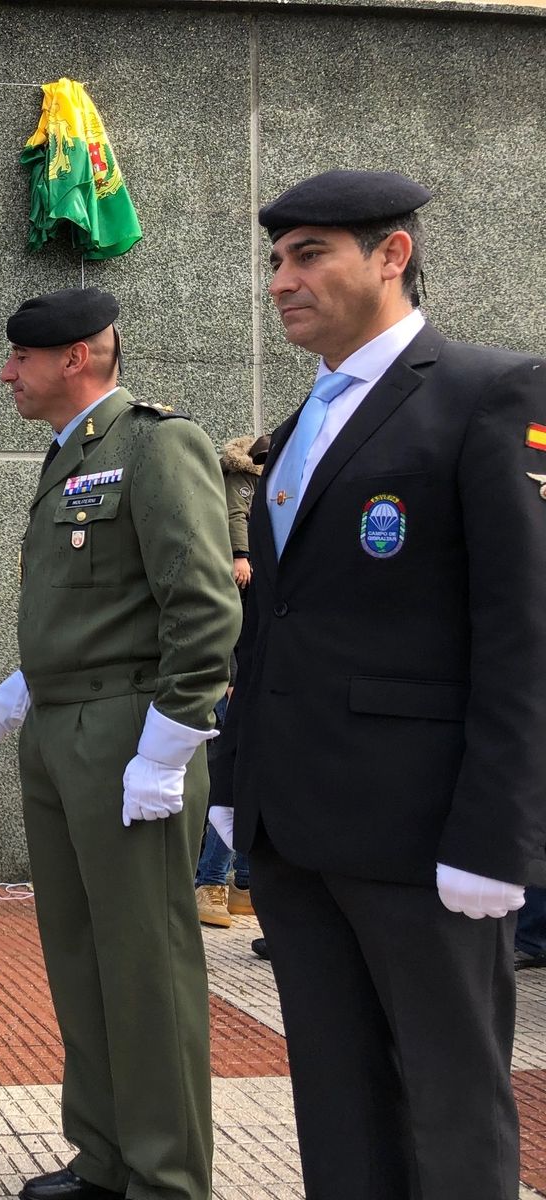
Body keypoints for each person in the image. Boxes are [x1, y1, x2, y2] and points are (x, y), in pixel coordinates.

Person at [208, 169, 546, 1200]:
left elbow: (522, 631)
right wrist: (236, 781)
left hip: (422, 835)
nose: (280, 281)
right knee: (337, 1100)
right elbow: (274, 621)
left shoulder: (487, 391)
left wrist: (498, 839)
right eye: (275, 259)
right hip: (297, 828)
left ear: (390, 255)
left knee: (450, 1105)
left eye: (308, 254)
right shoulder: (303, 419)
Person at [0, 287, 241, 1200]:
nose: (7, 373)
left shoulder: (155, 443)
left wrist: (170, 743)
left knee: (146, 966)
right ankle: (105, 1155)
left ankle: (165, 1176)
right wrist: (12, 696)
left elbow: (201, 605)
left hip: (127, 735)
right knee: (79, 953)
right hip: (60, 729)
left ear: (75, 357)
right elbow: (96, 609)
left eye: (21, 357)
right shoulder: (69, 456)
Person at [194, 433, 267, 928]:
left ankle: (242, 885)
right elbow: (232, 620)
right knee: (229, 780)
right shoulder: (234, 559)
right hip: (231, 677)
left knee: (249, 778)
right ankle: (212, 885)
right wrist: (234, 677)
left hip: (257, 677)